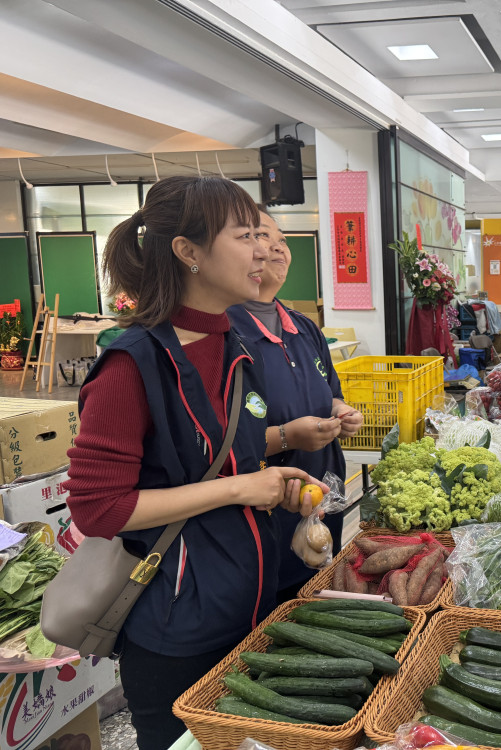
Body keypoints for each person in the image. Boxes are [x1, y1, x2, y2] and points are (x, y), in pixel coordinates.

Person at [64, 176, 328, 750]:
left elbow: (227, 460)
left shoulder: (234, 347)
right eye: (245, 235)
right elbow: (97, 507)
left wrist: (278, 487)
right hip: (178, 631)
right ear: (188, 253)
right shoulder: (131, 366)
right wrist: (238, 490)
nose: (265, 250)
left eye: (263, 234)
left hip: (253, 610)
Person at [228, 207, 364, 602]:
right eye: (259, 237)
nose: (277, 249)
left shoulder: (303, 326)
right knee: (272, 606)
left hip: (322, 492)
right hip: (263, 507)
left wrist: (341, 411)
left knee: (318, 591)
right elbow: (219, 443)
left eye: (282, 240)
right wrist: (288, 436)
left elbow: (330, 392)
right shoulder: (227, 334)